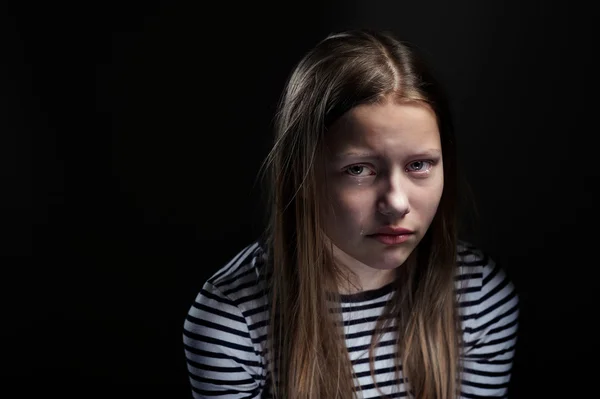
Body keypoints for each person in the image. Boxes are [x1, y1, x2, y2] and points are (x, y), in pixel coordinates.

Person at [182, 29, 519, 399]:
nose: (396, 203)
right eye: (359, 169)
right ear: (301, 175)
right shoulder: (233, 323)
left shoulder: (478, 298)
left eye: (419, 165)